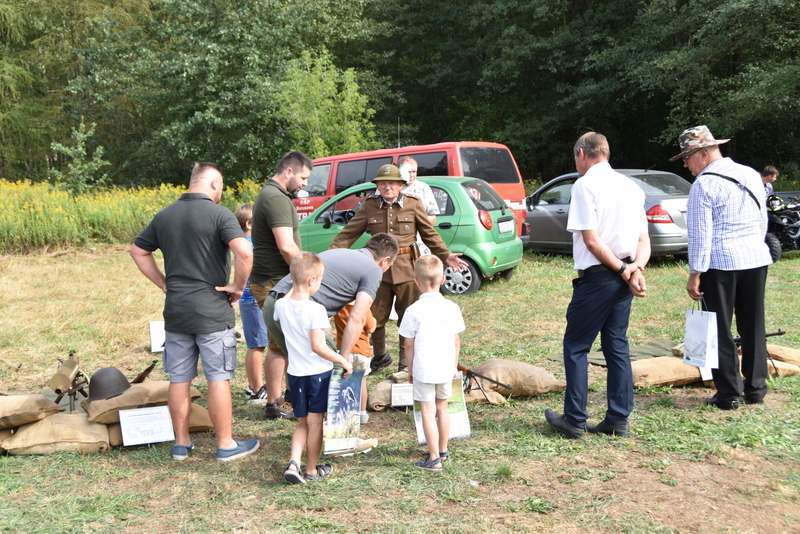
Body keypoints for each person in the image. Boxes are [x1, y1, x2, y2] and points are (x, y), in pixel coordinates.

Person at [130, 162, 260, 461]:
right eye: (222, 186)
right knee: (217, 377)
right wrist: (238, 288)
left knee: (179, 378)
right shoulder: (220, 214)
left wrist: (164, 283)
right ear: (214, 185)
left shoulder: (164, 215)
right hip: (212, 310)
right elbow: (245, 251)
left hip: (176, 310)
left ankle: (181, 443)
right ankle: (225, 444)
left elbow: (138, 250)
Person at [544, 132, 650, 439]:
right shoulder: (631, 186)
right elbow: (643, 239)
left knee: (576, 346)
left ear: (582, 153)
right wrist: (634, 269)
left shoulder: (585, 184)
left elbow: (591, 240)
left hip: (601, 276)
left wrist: (621, 270)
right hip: (625, 272)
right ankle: (618, 418)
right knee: (616, 345)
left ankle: (574, 419)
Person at [670, 125, 772, 410]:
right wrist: (754, 244)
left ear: (703, 153)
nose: (686, 164)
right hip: (754, 258)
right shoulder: (751, 174)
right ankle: (756, 388)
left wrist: (694, 273)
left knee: (718, 329)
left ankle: (728, 393)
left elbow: (702, 235)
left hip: (721, 263)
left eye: (687, 158)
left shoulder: (704, 184)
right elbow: (762, 220)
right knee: (754, 324)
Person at [330, 164, 468, 373]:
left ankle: (405, 362)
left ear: (400, 185)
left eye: (392, 183)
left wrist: (445, 254)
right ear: (378, 186)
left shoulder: (413, 204)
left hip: (406, 268)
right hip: (378, 270)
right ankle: (380, 355)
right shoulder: (369, 206)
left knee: (408, 316)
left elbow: (428, 232)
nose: (387, 187)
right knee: (375, 316)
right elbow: (349, 233)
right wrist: (330, 256)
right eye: (383, 183)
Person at [277, 252, 354, 484]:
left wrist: (294, 277)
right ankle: (311, 469)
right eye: (319, 280)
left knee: (302, 422)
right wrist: (341, 360)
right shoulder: (316, 310)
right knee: (315, 422)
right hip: (318, 374)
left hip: (296, 375)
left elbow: (291, 292)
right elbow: (318, 346)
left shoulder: (280, 305)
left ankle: (293, 463)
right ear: (312, 280)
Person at [250, 151, 313, 420]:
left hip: (277, 280)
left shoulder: (275, 194)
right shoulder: (276, 197)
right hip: (274, 282)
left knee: (284, 341)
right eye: (303, 177)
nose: (305, 184)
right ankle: (275, 404)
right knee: (279, 343)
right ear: (288, 172)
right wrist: (306, 276)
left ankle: (285, 399)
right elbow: (287, 247)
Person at [398, 255, 465, 472]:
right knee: (442, 409)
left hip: (423, 369)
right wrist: (454, 366)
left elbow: (409, 345)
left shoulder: (413, 310)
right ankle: (443, 450)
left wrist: (410, 369)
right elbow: (456, 339)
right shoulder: (452, 307)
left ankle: (434, 457)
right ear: (443, 279)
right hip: (447, 367)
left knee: (427, 412)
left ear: (416, 281)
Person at [233, 204, 268, 403]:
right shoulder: (250, 244)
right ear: (249, 224)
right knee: (258, 345)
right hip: (253, 298)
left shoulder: (242, 243)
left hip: (249, 299)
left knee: (255, 344)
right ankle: (256, 389)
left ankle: (252, 386)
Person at [334, 302, 376, 424]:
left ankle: (343, 411)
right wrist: (374, 320)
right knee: (362, 381)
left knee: (344, 381)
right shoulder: (364, 307)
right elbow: (371, 328)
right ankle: (362, 413)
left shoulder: (339, 306)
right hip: (362, 351)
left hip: (344, 350)